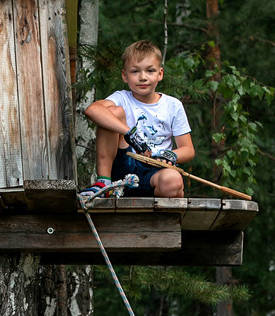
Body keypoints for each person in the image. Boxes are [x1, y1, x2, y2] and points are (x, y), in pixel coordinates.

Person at [81, 41, 195, 201]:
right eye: (135, 71)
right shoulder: (121, 98)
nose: (143, 77)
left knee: (174, 181)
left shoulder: (173, 105)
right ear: (124, 75)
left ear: (160, 74)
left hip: (156, 171)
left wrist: (168, 155)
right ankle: (104, 184)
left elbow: (188, 149)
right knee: (112, 113)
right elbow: (92, 110)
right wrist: (130, 134)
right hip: (123, 167)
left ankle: (160, 201)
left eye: (150, 71)